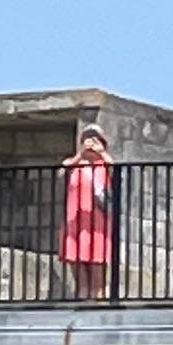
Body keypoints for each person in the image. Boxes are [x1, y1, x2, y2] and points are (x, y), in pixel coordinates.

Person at [59, 123, 116, 299]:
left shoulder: (104, 164)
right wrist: (80, 155)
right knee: (76, 257)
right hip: (75, 218)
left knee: (97, 257)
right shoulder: (75, 164)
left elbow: (116, 170)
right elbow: (61, 172)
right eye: (87, 138)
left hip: (97, 219)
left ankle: (97, 294)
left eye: (96, 138)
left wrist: (102, 153)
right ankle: (82, 294)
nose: (91, 142)